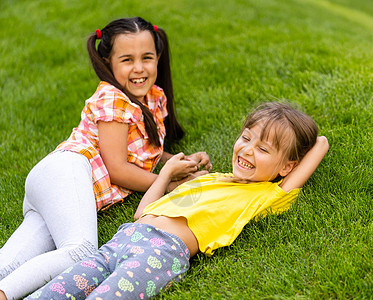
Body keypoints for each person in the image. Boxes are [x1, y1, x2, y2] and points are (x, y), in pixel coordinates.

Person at [25, 102, 329, 299]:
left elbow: (320, 144)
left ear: (286, 167)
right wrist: (167, 171)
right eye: (246, 138)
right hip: (121, 241)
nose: (247, 150)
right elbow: (141, 213)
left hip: (161, 253)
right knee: (52, 293)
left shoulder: (267, 194)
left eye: (264, 149)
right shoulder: (210, 179)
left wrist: (293, 136)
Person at [0, 17, 211, 300]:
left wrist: (179, 163)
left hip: (56, 182)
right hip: (68, 171)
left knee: (13, 258)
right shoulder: (114, 98)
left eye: (147, 58)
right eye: (127, 60)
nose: (139, 68)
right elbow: (118, 169)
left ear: (158, 58)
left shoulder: (150, 96)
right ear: (107, 61)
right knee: (81, 250)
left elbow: (143, 151)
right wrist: (169, 183)